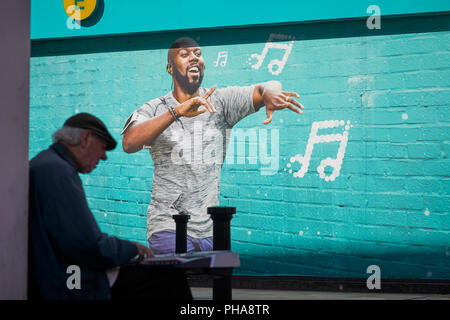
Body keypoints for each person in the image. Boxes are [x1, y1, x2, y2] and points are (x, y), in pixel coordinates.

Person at [122, 37, 304, 254]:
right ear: (170, 68)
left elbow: (264, 87)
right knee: (178, 281)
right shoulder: (155, 108)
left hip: (211, 228)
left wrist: (271, 91)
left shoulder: (221, 101)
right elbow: (129, 142)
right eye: (185, 54)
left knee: (216, 283)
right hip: (167, 224)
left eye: (198, 54)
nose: (194, 58)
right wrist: (177, 112)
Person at [28, 112, 192, 300]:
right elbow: (87, 244)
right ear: (86, 138)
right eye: (103, 147)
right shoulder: (58, 172)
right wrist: (132, 249)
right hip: (67, 281)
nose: (104, 157)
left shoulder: (46, 163)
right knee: (169, 276)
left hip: (55, 272)